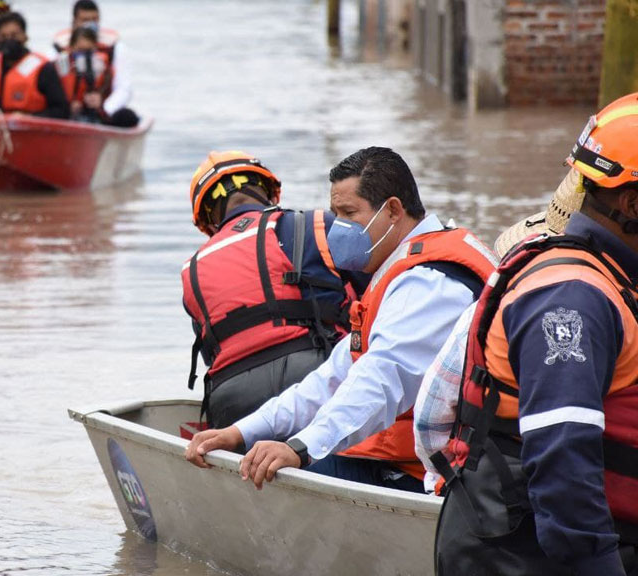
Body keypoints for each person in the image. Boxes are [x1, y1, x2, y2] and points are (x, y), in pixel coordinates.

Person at [184, 147, 497, 493]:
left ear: (392, 210)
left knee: (276, 480)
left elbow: (381, 380)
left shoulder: (429, 283)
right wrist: (241, 431)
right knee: (275, 455)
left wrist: (298, 449)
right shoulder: (400, 270)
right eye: (336, 214)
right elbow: (329, 380)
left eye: (349, 213)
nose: (340, 228)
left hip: (433, 472)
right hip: (405, 458)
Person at [431, 93, 638, 576]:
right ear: (631, 202)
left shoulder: (606, 278)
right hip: (525, 556)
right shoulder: (572, 297)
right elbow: (563, 463)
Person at [412, 169, 584, 495]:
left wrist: (444, 476)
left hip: (506, 486)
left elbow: (430, 417)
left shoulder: (497, 306)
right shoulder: (618, 301)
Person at [181, 151, 368, 431]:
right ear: (270, 194)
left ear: (207, 220)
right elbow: (377, 295)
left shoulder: (191, 270)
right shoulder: (316, 224)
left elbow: (212, 351)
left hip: (229, 399)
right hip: (315, 374)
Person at [0, 12, 69, 118]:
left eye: (14, 35)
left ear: (25, 37)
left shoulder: (44, 68)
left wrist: (30, 118)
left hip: (30, 129)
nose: (9, 40)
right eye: (3, 36)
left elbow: (62, 111)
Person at [51, 1, 135, 125]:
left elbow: (124, 87)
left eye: (94, 19)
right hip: (69, 109)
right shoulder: (60, 51)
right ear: (74, 22)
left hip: (101, 109)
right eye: (85, 20)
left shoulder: (113, 48)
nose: (90, 24)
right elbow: (54, 83)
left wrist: (103, 107)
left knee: (127, 117)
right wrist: (68, 104)